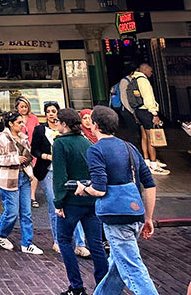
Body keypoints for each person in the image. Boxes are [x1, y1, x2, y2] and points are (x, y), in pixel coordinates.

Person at [76, 105, 158, 295]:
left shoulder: (95, 150)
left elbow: (99, 188)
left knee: (132, 268)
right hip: (135, 213)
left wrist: (83, 189)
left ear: (95, 125)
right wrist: (148, 217)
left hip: (115, 216)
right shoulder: (129, 147)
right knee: (117, 266)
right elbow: (150, 184)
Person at [51, 108, 108, 295]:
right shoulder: (86, 142)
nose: (55, 124)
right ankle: (103, 286)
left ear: (64, 124)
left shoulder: (60, 144)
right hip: (91, 200)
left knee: (64, 240)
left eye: (58, 121)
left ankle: (76, 287)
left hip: (71, 201)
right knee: (96, 244)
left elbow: (59, 176)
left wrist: (58, 203)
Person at [31, 101, 88, 256]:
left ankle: (80, 243)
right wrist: (47, 156)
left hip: (68, 172)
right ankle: (57, 239)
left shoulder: (67, 131)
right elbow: (34, 150)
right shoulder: (40, 130)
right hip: (48, 171)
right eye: (48, 111)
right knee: (54, 204)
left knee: (72, 206)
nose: (51, 113)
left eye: (54, 110)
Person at [0, 110, 43, 255]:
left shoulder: (23, 138)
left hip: (24, 178)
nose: (22, 124)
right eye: (19, 122)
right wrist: (14, 159)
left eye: (22, 122)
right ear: (10, 124)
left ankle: (27, 243)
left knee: (26, 212)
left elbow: (27, 158)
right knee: (12, 212)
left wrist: (29, 169)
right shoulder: (1, 138)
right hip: (8, 179)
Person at [127, 63, 169, 176]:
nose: (151, 73)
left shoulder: (134, 79)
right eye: (150, 71)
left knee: (144, 137)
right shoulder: (143, 80)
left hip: (139, 111)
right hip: (147, 111)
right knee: (152, 138)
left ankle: (146, 161)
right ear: (144, 69)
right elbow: (148, 98)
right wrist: (154, 113)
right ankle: (153, 164)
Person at [15, 96, 41, 207]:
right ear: (17, 108)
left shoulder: (33, 118)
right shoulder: (15, 119)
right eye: (22, 107)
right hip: (20, 149)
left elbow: (39, 131)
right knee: (21, 172)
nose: (24, 109)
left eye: (26, 106)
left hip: (33, 148)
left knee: (33, 173)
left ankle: (32, 197)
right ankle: (21, 196)